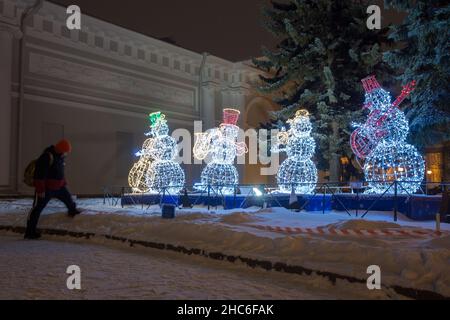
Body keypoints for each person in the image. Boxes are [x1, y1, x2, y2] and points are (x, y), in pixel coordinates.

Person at [24, 139, 81, 239]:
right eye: (65, 151)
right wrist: (40, 190)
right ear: (60, 149)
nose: (66, 153)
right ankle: (30, 232)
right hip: (46, 189)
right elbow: (39, 175)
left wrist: (63, 183)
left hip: (59, 187)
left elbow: (59, 172)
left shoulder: (60, 157)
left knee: (69, 200)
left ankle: (72, 211)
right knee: (37, 209)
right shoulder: (47, 156)